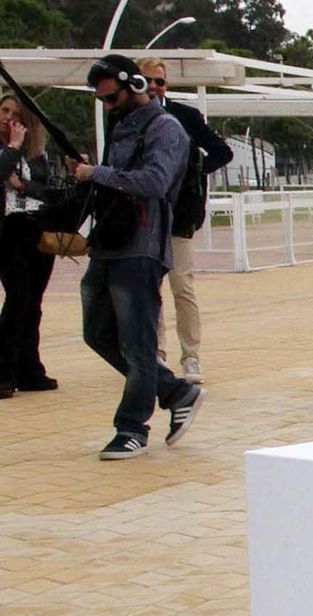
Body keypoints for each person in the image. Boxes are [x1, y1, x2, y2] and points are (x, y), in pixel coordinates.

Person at [74, 54, 202, 459]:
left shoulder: (167, 130)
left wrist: (96, 173)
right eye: (102, 101)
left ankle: (132, 428)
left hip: (142, 249)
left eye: (111, 99)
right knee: (97, 332)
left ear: (136, 87)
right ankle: (176, 391)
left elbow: (155, 181)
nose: (107, 107)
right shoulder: (120, 128)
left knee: (138, 343)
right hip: (108, 246)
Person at [137, 57, 233, 385]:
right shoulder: (127, 118)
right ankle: (156, 354)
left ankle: (190, 355)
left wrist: (194, 172)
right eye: (147, 80)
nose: (153, 87)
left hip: (178, 218)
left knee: (182, 286)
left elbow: (222, 151)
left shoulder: (186, 116)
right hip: (143, 217)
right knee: (149, 289)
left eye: (160, 81)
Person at [0, 93, 58, 398]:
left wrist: (23, 185)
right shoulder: (5, 149)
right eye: (5, 110)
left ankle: (30, 369)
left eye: (16, 113)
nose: (9, 118)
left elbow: (47, 190)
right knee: (17, 298)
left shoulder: (37, 153)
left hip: (36, 227)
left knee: (33, 303)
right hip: (8, 229)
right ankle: (3, 369)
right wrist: (11, 147)